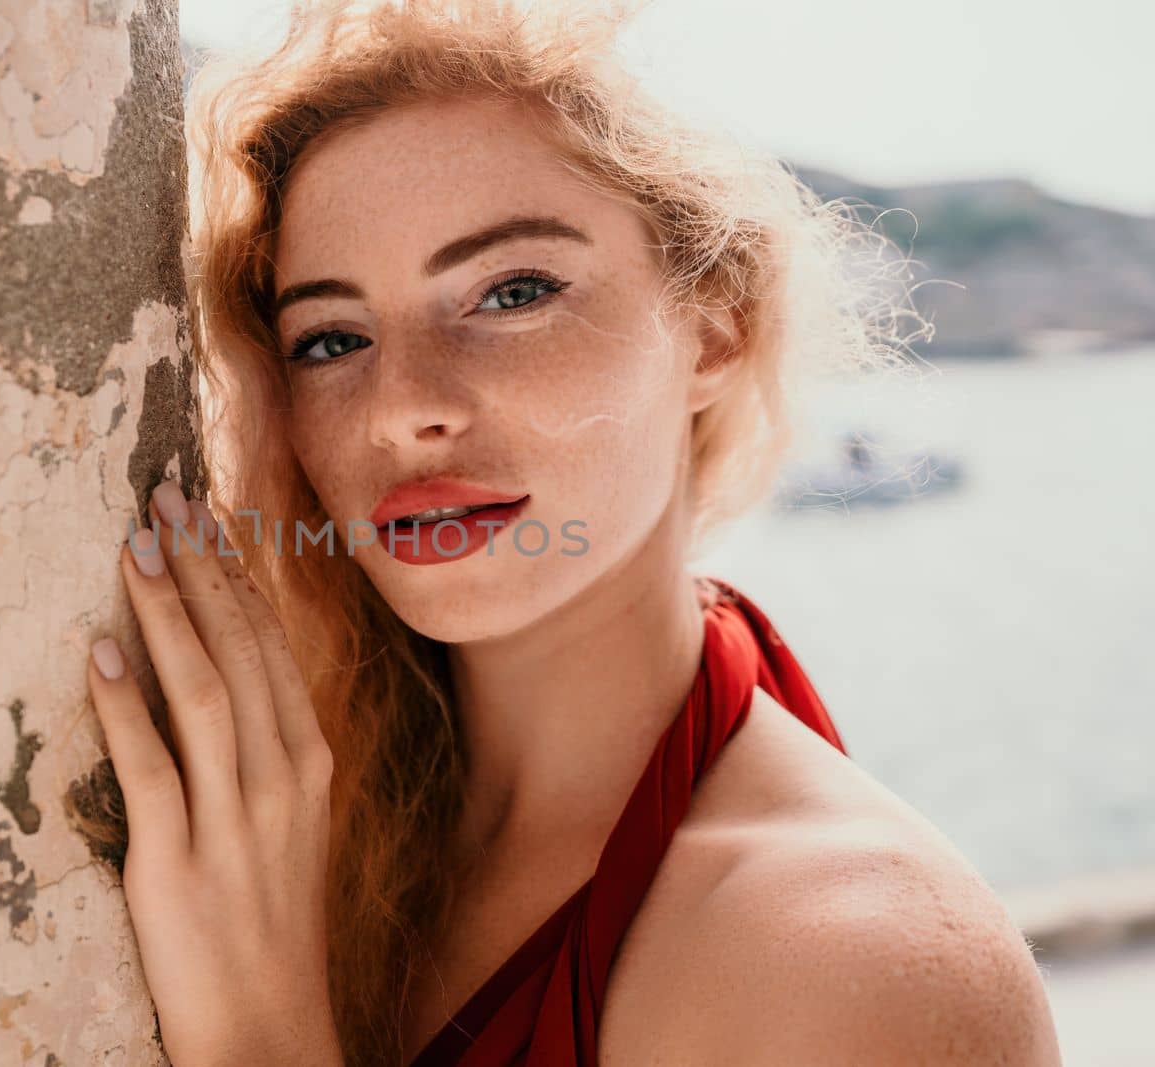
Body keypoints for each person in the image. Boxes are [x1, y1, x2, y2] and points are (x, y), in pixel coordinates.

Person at [81, 1, 1063, 1063]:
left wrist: (258, 1037)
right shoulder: (281, 816)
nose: (401, 406)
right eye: (329, 338)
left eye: (511, 291)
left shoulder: (852, 959)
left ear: (713, 327)